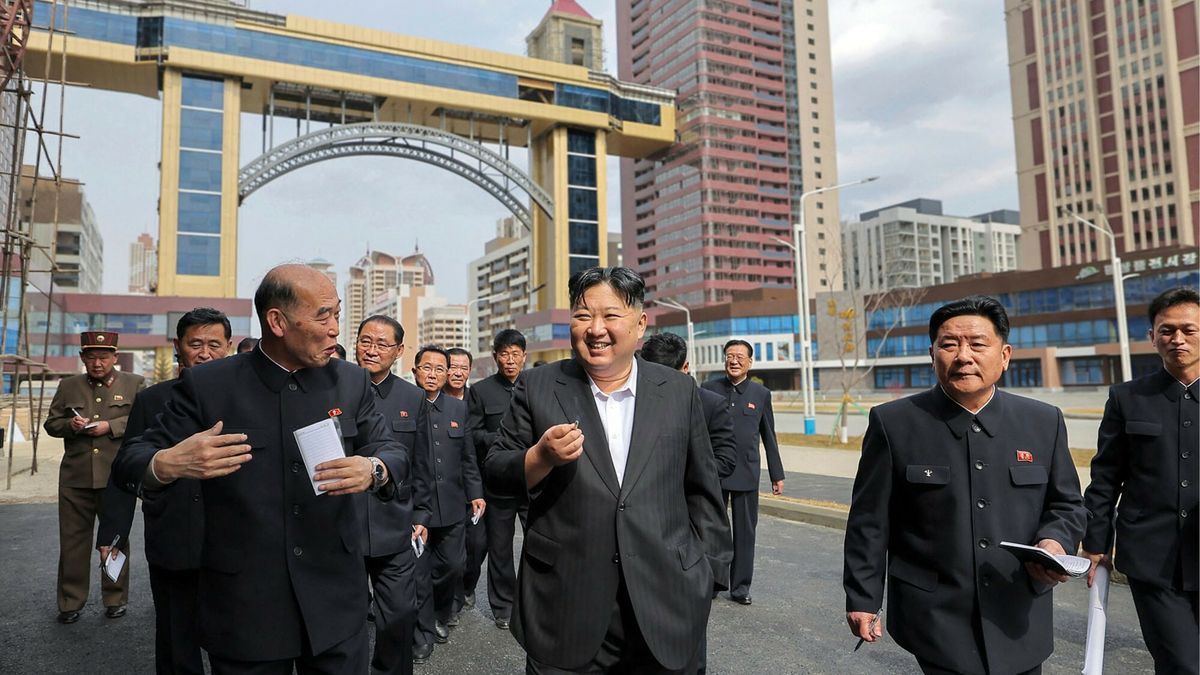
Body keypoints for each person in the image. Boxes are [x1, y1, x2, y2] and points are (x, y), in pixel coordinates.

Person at [111, 264, 409, 674]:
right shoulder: (209, 386)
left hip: (334, 599)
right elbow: (130, 458)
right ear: (277, 322)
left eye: (338, 313)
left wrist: (374, 468)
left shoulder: (350, 381)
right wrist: (167, 463)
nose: (336, 329)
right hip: (244, 605)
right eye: (323, 315)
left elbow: (392, 450)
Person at [485, 266, 732, 673]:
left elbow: (703, 491)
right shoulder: (539, 387)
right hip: (567, 602)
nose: (595, 328)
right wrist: (540, 457)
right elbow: (495, 470)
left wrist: (707, 579)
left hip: (667, 600)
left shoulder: (677, 391)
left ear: (639, 324)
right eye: (582, 316)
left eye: (610, 316)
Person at [843, 295, 1086, 675]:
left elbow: (1068, 505)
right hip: (934, 615)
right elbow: (869, 521)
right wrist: (863, 597)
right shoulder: (894, 423)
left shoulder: (1043, 422)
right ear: (932, 353)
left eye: (977, 344)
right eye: (949, 344)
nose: (963, 355)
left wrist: (1054, 542)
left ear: (1004, 355)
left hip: (1018, 610)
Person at [97, 308, 231, 674]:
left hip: (236, 540)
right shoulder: (153, 400)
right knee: (176, 639)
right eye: (195, 344)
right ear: (178, 346)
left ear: (229, 347)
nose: (204, 353)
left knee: (237, 640)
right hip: (173, 533)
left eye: (214, 344)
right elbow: (127, 466)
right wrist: (112, 531)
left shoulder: (245, 398)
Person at [1082, 287, 1199, 675]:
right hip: (1152, 556)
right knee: (1180, 662)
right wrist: (1096, 541)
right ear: (1152, 336)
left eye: (1188, 330)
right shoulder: (1127, 398)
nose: (1177, 339)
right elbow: (1106, 476)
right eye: (1166, 330)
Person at [44, 330, 145, 624]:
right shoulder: (67, 385)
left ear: (115, 357)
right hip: (75, 477)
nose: (97, 363)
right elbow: (52, 423)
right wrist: (71, 425)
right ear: (82, 358)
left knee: (114, 539)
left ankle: (115, 598)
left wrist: (110, 427)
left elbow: (144, 420)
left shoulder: (134, 384)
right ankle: (70, 602)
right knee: (73, 542)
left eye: (103, 357)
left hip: (116, 475)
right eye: (91, 357)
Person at [354, 315, 429, 672]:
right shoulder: (332, 388)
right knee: (345, 620)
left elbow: (422, 462)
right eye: (365, 341)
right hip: (344, 526)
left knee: (399, 614)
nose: (371, 350)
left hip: (394, 524)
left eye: (382, 344)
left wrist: (421, 516)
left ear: (398, 351)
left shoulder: (412, 397)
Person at [410, 345, 484, 652]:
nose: (433, 374)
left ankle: (441, 614)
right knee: (417, 574)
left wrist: (476, 494)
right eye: (426, 368)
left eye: (440, 369)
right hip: (415, 510)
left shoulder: (458, 409)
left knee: (454, 566)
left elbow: (468, 458)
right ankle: (422, 632)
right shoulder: (406, 404)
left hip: (453, 505)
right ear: (414, 371)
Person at [700, 339, 783, 605]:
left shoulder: (761, 394)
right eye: (729, 356)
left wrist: (777, 474)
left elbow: (769, 436)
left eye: (739, 356)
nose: (733, 360)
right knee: (713, 530)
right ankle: (713, 581)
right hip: (715, 471)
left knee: (746, 533)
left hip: (747, 472)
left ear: (750, 362)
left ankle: (740, 588)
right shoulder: (708, 389)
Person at [464, 328, 528, 629]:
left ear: (524, 357)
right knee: (500, 548)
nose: (510, 360)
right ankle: (504, 607)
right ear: (495, 357)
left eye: (516, 354)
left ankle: (534, 601)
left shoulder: (534, 386)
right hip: (498, 483)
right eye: (504, 354)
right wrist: (498, 441)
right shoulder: (481, 391)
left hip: (532, 481)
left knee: (540, 543)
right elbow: (472, 433)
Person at [639, 332, 736, 480]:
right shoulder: (629, 400)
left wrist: (678, 473)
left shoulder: (711, 404)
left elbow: (725, 461)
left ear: (685, 368)